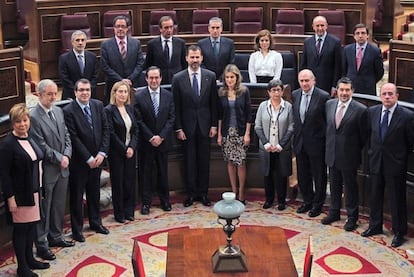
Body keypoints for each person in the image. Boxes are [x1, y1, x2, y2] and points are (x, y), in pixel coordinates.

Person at [361, 83, 414, 248]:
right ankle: (375, 225)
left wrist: (400, 158)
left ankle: (399, 232)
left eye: (390, 94)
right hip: (376, 161)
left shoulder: (407, 116)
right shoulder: (372, 112)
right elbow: (368, 136)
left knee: (397, 199)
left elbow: (411, 143)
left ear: (397, 96)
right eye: (384, 94)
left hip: (395, 165)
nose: (387, 97)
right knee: (375, 195)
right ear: (380, 96)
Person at [0, 103, 50, 277]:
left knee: (31, 228)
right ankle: (22, 267)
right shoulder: (7, 144)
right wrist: (10, 198)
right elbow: (4, 175)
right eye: (18, 122)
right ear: (12, 124)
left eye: (25, 120)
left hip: (34, 192)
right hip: (20, 196)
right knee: (21, 230)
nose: (22, 124)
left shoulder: (30, 138)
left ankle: (30, 259)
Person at [30, 80, 74, 262]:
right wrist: (60, 158)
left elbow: (66, 135)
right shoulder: (33, 116)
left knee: (58, 205)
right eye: (49, 94)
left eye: (55, 93)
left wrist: (67, 155)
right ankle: (42, 244)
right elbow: (40, 145)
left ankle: (56, 236)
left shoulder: (58, 110)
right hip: (48, 170)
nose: (53, 97)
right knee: (45, 209)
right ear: (39, 95)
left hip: (63, 167)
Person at [63, 78, 110, 242]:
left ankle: (95, 222)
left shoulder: (97, 105)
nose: (85, 93)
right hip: (79, 163)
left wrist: (102, 153)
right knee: (76, 197)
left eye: (87, 90)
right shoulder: (69, 110)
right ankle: (77, 230)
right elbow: (74, 138)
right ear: (75, 92)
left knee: (94, 193)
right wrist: (88, 158)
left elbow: (105, 129)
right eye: (81, 90)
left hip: (98, 159)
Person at [172, 45, 218, 207]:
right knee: (189, 161)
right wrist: (178, 128)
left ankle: (203, 194)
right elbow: (175, 106)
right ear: (186, 58)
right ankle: (191, 194)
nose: (194, 60)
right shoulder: (177, 78)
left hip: (206, 126)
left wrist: (213, 125)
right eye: (192, 57)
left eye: (197, 57)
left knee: (204, 161)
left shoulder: (210, 76)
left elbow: (214, 103)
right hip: (186, 127)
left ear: (202, 58)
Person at [321, 77, 368, 231]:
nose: (344, 93)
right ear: (337, 90)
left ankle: (352, 217)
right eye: (341, 89)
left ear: (352, 91)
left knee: (350, 188)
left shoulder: (360, 109)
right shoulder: (329, 104)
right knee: (334, 185)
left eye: (347, 90)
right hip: (332, 153)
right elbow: (328, 128)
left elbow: (363, 136)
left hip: (349, 156)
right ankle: (334, 212)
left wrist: (352, 149)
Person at [134, 66, 175, 214]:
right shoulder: (139, 96)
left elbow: (171, 118)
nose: (154, 80)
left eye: (156, 77)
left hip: (163, 141)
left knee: (163, 173)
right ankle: (146, 203)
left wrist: (161, 136)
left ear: (161, 78)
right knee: (146, 173)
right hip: (146, 142)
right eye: (151, 78)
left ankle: (165, 200)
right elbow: (138, 120)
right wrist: (151, 137)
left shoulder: (168, 95)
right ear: (146, 79)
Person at [292, 69, 330, 217]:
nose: (304, 83)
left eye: (307, 80)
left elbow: (327, 121)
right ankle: (307, 201)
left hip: (317, 143)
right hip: (300, 142)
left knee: (319, 175)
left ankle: (318, 204)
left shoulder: (323, 96)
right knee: (303, 175)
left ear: (313, 81)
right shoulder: (295, 95)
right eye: (301, 81)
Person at [255, 80, 294, 210]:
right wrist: (265, 143)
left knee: (281, 175)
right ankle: (269, 199)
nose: (276, 93)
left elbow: (291, 127)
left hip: (282, 148)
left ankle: (281, 201)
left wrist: (281, 145)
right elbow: (258, 127)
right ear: (269, 92)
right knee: (267, 174)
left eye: (278, 90)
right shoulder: (262, 106)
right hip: (266, 147)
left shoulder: (288, 107)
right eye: (273, 90)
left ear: (282, 91)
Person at [217, 64, 252, 204]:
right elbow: (219, 115)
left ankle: (242, 192)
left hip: (240, 132)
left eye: (232, 77)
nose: (229, 80)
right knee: (230, 162)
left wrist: (247, 133)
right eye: (227, 77)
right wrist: (219, 134)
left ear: (237, 78)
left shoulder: (244, 91)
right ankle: (233, 191)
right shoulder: (221, 92)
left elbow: (249, 113)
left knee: (241, 162)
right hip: (227, 132)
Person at [104, 81, 138, 223]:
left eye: (125, 92)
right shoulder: (109, 110)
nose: (123, 94)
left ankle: (129, 211)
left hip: (130, 151)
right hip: (117, 153)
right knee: (118, 183)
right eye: (120, 92)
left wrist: (131, 147)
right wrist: (124, 149)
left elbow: (136, 130)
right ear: (114, 93)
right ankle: (119, 214)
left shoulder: (130, 109)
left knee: (129, 182)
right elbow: (111, 133)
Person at [101, 15, 144, 104]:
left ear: (127, 28)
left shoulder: (136, 43)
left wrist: (130, 79)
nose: (120, 29)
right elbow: (105, 67)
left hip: (132, 85)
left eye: (123, 26)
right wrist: (121, 80)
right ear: (114, 28)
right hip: (113, 87)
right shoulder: (106, 45)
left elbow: (140, 64)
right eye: (118, 26)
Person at [300, 16, 342, 96]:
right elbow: (304, 65)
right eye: (317, 26)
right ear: (313, 27)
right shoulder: (307, 42)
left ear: (326, 26)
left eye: (322, 25)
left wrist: (335, 86)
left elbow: (338, 67)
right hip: (310, 85)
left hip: (328, 85)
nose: (320, 28)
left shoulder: (335, 42)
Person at [343, 23, 384, 96]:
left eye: (363, 33)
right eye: (357, 33)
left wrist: (370, 81)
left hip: (368, 89)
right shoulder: (347, 49)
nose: (360, 36)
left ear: (367, 35)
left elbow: (379, 72)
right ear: (354, 36)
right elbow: (344, 69)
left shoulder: (375, 51)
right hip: (351, 88)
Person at [144, 16, 186, 84]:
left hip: (177, 81)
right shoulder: (152, 44)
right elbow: (148, 65)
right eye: (166, 27)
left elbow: (184, 64)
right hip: (159, 82)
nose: (169, 30)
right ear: (160, 29)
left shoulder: (180, 43)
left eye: (171, 27)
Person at [58, 30, 99, 100]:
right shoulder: (64, 58)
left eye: (82, 40)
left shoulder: (92, 57)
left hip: (89, 96)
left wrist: (86, 91)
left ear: (86, 42)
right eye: (77, 40)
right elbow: (64, 79)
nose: (80, 43)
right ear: (72, 42)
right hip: (71, 96)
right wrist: (78, 92)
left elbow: (95, 77)